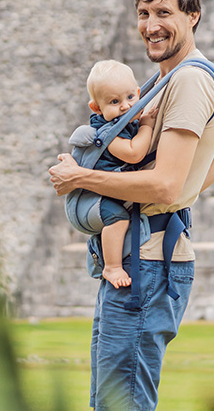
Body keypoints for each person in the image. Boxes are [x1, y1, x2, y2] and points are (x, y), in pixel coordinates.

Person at [49, 0, 214, 411]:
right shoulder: (167, 80)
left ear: (193, 16)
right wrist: (171, 201)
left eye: (164, 12)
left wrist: (81, 178)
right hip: (145, 258)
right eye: (144, 12)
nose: (151, 25)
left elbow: (167, 184)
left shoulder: (188, 79)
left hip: (147, 265)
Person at [68, 60, 160, 289]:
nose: (125, 106)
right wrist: (147, 125)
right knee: (118, 218)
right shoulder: (108, 133)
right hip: (96, 199)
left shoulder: (126, 122)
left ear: (139, 93)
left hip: (108, 192)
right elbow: (134, 153)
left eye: (130, 97)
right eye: (114, 101)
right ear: (97, 108)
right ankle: (111, 266)